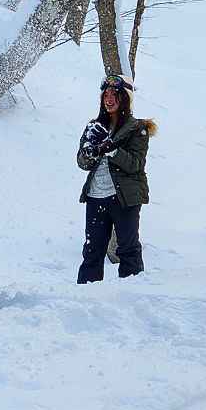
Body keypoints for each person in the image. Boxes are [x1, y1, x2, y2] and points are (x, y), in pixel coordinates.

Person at [76, 74, 155, 282]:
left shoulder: (137, 129)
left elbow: (135, 164)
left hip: (124, 198)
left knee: (128, 249)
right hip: (95, 196)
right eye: (106, 94)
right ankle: (84, 299)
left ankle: (134, 297)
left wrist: (111, 149)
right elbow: (82, 164)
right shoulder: (94, 127)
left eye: (115, 95)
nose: (109, 99)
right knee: (92, 251)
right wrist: (89, 151)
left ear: (126, 99)